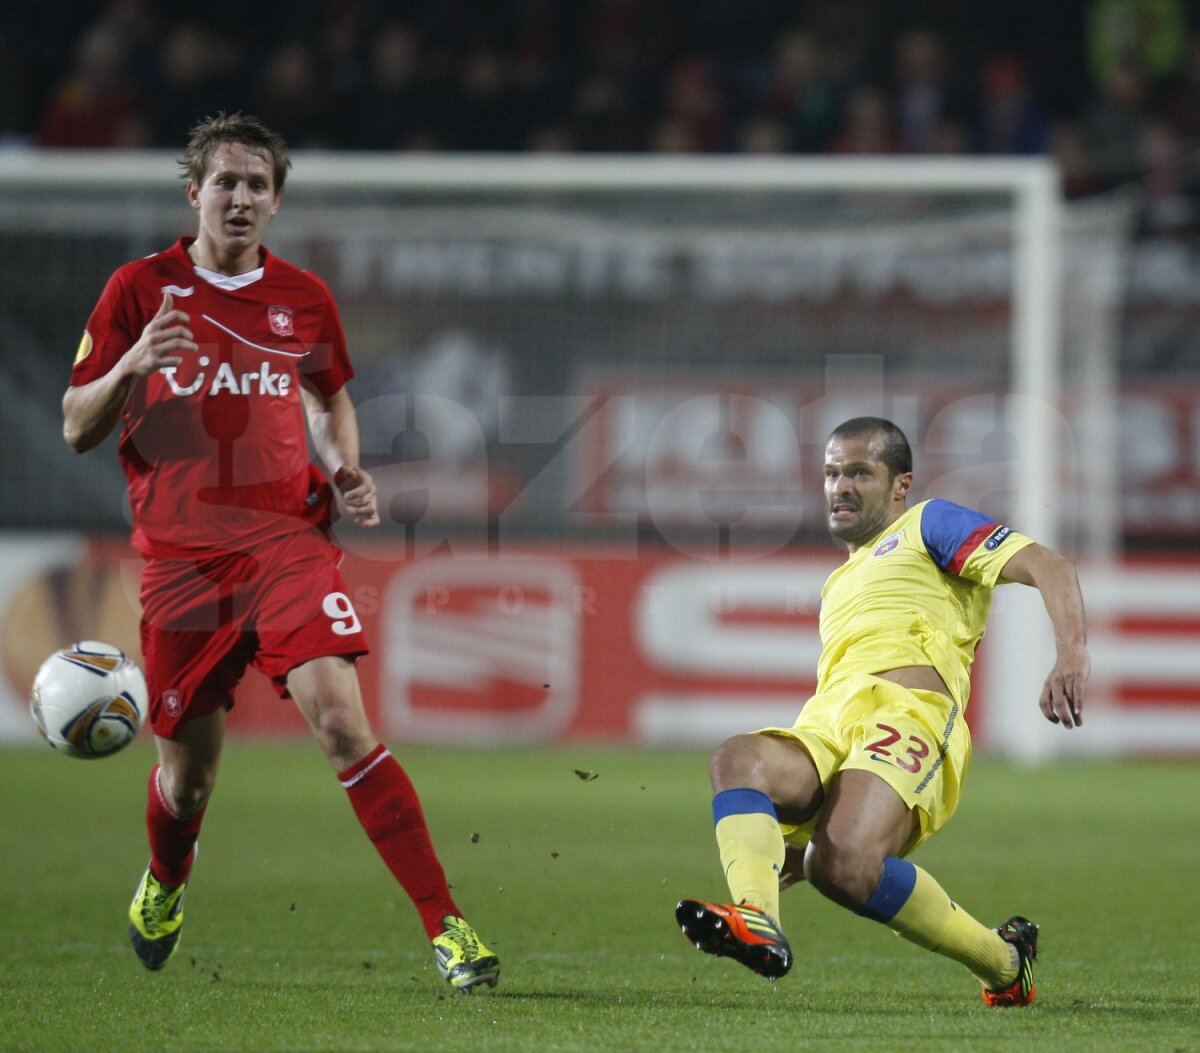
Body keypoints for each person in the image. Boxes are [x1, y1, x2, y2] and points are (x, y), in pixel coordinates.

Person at [61, 112, 499, 993]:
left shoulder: (302, 296)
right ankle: (167, 879)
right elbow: (76, 424)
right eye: (225, 181)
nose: (240, 197)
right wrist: (133, 364)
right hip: (182, 566)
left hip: (288, 542)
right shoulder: (138, 289)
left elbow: (329, 397)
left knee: (341, 720)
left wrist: (344, 468)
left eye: (257, 185)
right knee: (185, 784)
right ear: (194, 193)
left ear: (276, 201)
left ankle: (447, 925)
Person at [676, 416, 1088, 1007]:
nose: (840, 486)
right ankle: (756, 916)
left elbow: (1051, 565)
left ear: (900, 483)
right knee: (738, 758)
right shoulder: (840, 580)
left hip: (909, 715)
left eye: (859, 472)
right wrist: (768, 854)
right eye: (831, 473)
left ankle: (1003, 962)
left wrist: (1071, 652)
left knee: (840, 868)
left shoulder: (928, 524)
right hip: (828, 720)